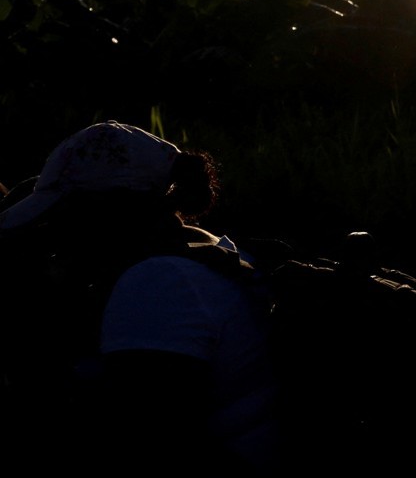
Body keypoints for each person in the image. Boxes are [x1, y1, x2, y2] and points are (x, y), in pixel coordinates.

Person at [0, 121, 280, 475]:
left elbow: (144, 444)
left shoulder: (156, 284)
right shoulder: (202, 249)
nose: (56, 239)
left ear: (105, 210)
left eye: (62, 215)